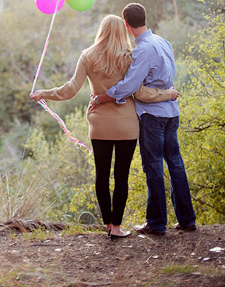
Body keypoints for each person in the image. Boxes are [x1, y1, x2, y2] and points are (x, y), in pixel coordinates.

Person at [30, 14, 176, 239]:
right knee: (122, 176)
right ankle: (117, 227)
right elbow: (139, 92)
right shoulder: (130, 57)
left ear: (101, 30)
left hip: (99, 124)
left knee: (101, 175)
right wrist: (167, 94)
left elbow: (70, 89)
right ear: (122, 31)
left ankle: (107, 224)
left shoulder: (87, 56)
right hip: (127, 125)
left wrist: (44, 93)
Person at [92, 2, 197, 236]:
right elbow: (170, 75)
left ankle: (157, 224)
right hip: (172, 111)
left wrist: (103, 97)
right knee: (176, 164)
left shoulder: (142, 50)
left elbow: (129, 85)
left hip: (153, 115)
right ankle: (187, 219)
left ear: (126, 24)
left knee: (153, 167)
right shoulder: (162, 42)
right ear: (144, 19)